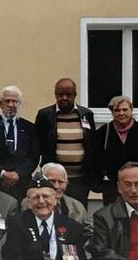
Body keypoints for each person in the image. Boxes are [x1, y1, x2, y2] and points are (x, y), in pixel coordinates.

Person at [34, 77, 98, 205]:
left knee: (78, 213)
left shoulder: (86, 114)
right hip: (53, 180)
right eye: (60, 94)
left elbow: (92, 144)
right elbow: (38, 144)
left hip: (79, 180)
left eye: (68, 95)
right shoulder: (45, 115)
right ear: (55, 94)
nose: (64, 98)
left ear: (75, 95)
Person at [0, 85, 39, 199]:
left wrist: (18, 174)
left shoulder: (29, 127)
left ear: (19, 104)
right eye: (7, 101)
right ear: (1, 104)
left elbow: (33, 156)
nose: (11, 105)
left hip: (22, 184)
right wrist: (3, 173)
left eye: (15, 101)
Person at [94, 96, 138, 203]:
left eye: (125, 109)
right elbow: (96, 159)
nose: (121, 113)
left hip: (137, 184)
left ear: (131, 110)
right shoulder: (104, 132)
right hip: (112, 186)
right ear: (112, 112)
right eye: (117, 110)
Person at [36, 164, 88, 230]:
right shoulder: (29, 204)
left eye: (61, 182)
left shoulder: (77, 207)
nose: (56, 186)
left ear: (66, 183)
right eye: (52, 181)